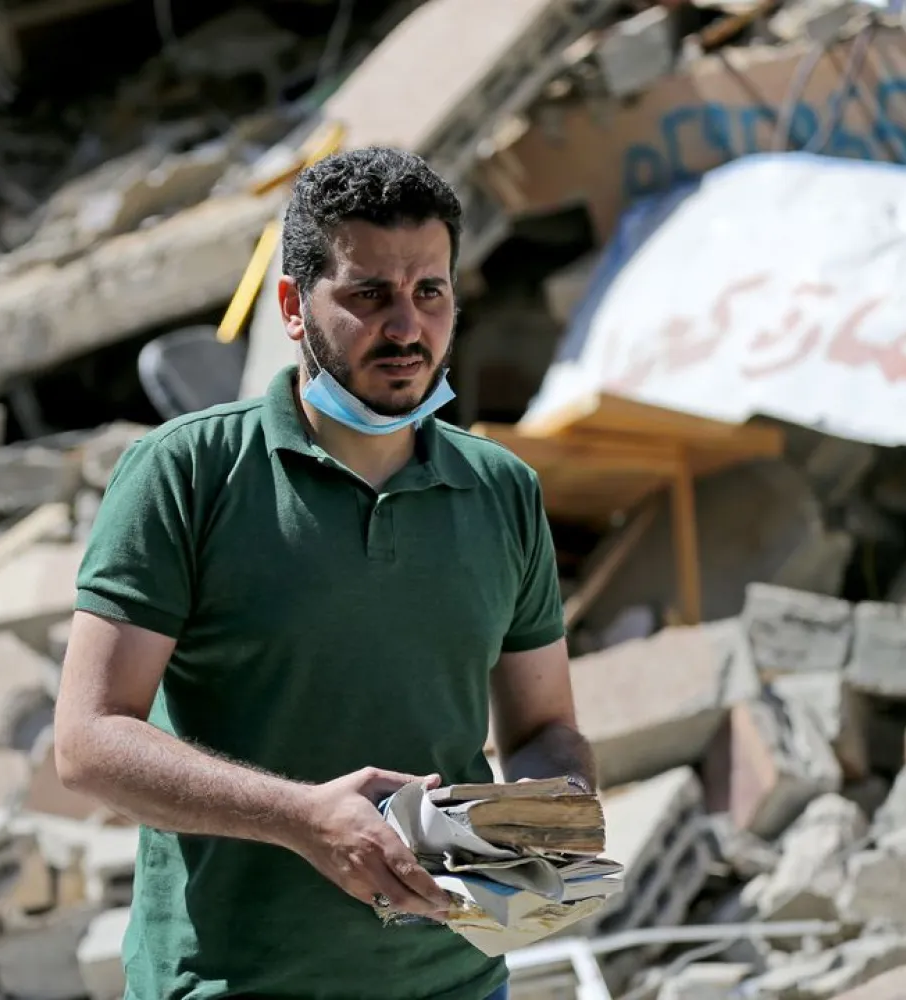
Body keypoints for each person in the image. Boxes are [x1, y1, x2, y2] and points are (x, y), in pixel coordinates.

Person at [53, 145, 596, 1000]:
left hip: (454, 984)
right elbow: (87, 743)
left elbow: (544, 729)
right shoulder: (185, 474)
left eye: (430, 292)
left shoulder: (501, 491)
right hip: (229, 986)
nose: (407, 327)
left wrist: (542, 827)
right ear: (292, 308)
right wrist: (305, 820)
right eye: (368, 294)